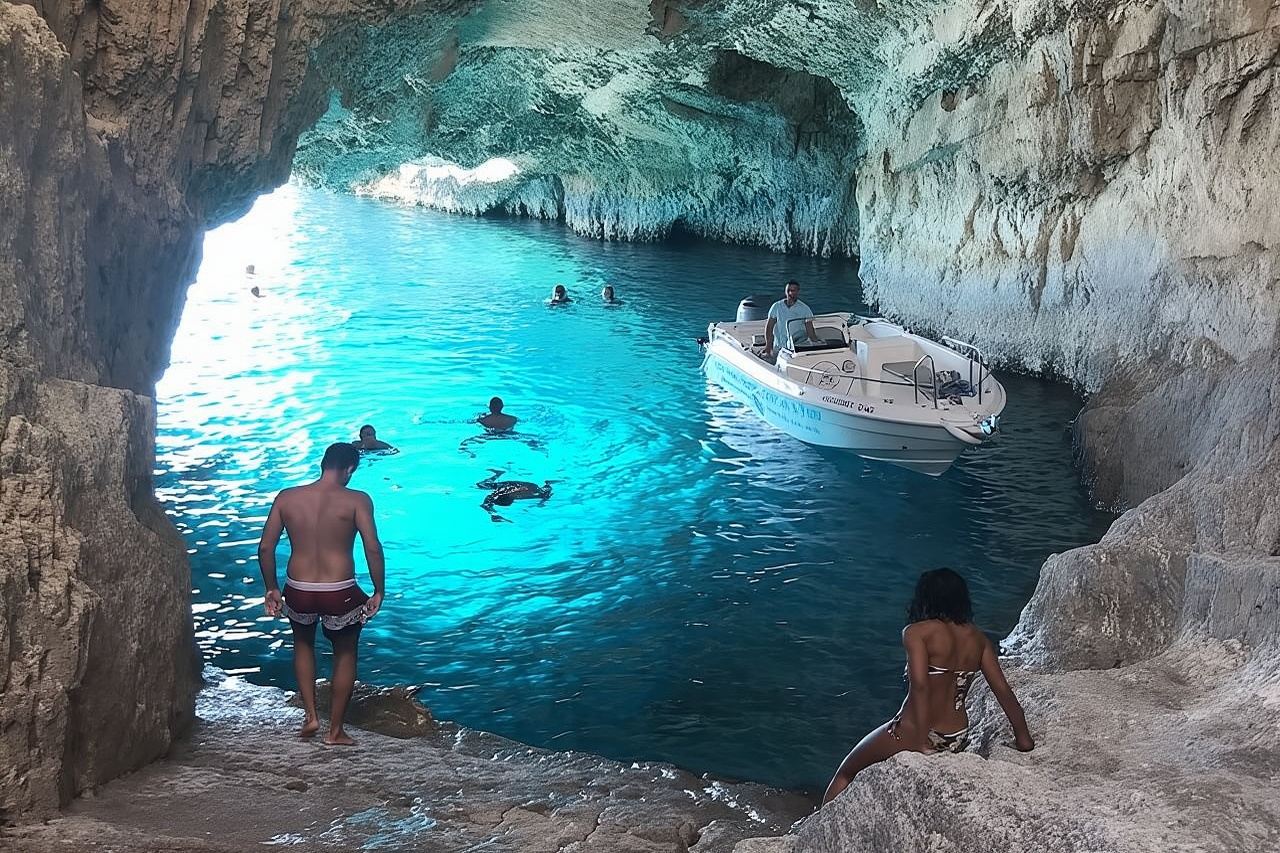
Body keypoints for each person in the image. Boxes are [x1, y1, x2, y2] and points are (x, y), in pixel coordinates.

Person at [822, 568, 1034, 805]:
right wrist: (1023, 738)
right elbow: (1002, 690)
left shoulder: (917, 633)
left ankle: (814, 832)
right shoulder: (978, 640)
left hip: (917, 731)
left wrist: (921, 741)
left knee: (847, 772)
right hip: (956, 736)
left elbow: (920, 686)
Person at [257, 443, 386, 746]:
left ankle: (311, 716)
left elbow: (265, 547)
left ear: (322, 464)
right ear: (350, 469)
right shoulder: (357, 500)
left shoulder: (287, 497)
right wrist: (379, 589)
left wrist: (271, 588)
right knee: (345, 652)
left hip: (298, 588)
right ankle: (335, 731)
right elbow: (372, 547)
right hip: (338, 590)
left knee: (302, 643)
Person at [763, 279, 818, 360]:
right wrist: (768, 346)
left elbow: (810, 330)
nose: (790, 293)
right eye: (788, 290)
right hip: (779, 347)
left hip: (797, 347)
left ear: (798, 291)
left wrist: (816, 344)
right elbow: (769, 327)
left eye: (793, 291)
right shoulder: (776, 307)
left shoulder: (805, 309)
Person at [475, 468, 552, 522]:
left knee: (481, 485)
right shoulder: (514, 495)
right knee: (482, 485)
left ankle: (499, 473)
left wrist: (493, 514)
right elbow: (487, 502)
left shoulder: (505, 491)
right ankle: (499, 473)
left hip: (516, 486)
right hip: (524, 487)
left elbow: (486, 502)